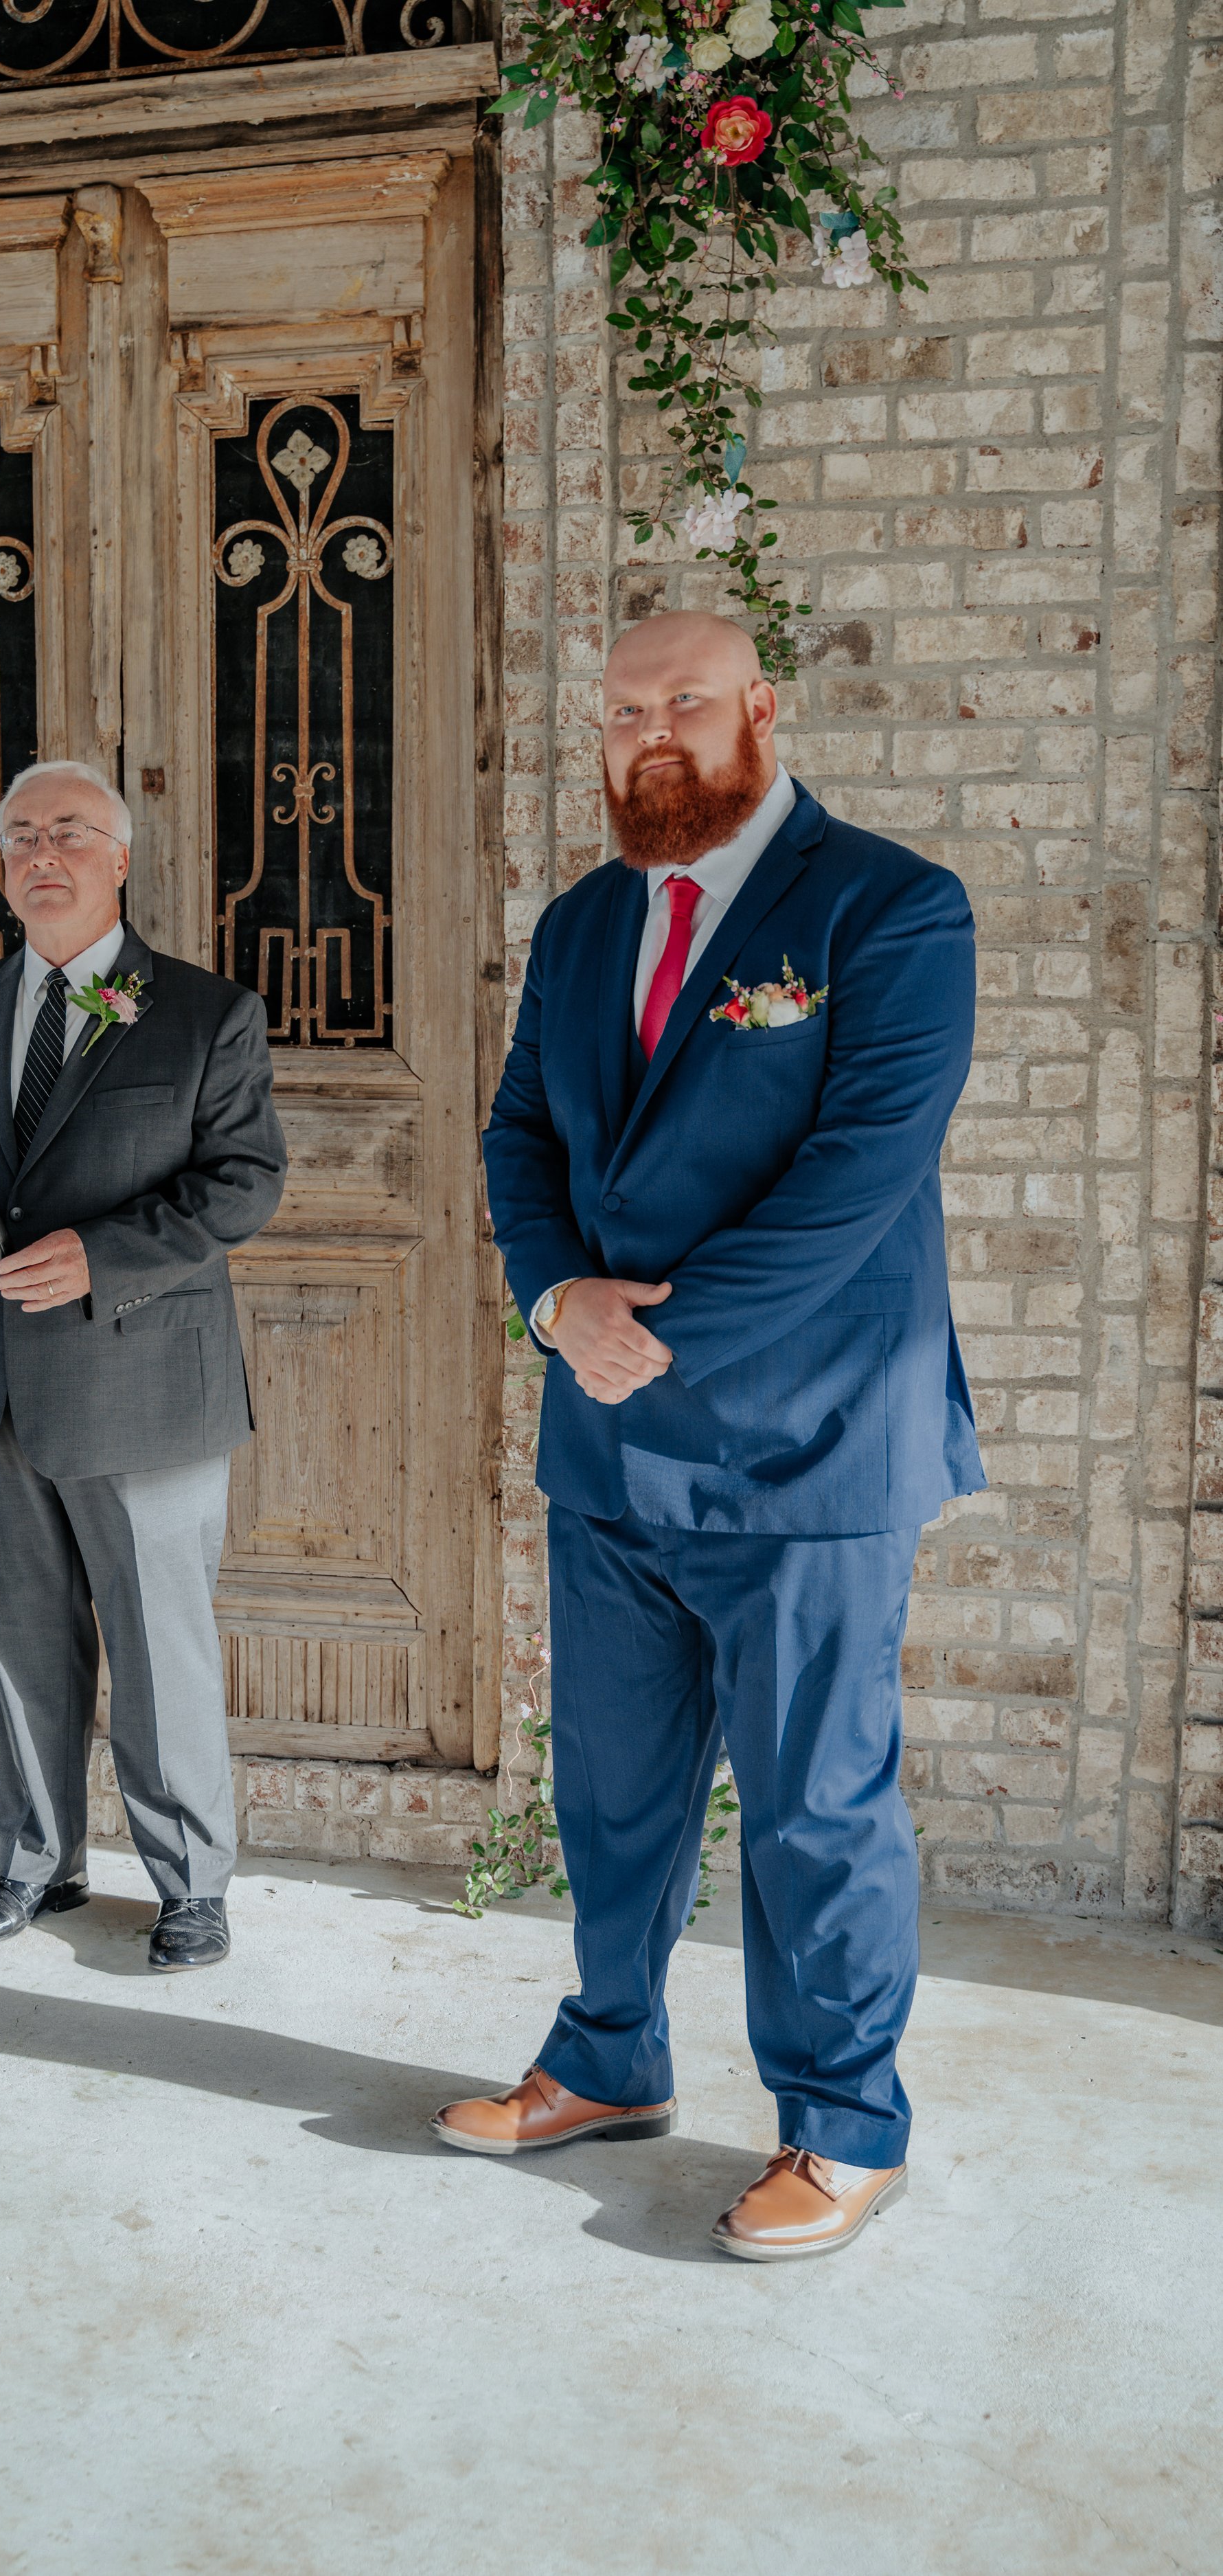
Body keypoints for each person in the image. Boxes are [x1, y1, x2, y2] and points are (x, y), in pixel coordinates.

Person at [436, 612, 983, 2261]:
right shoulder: (584, 919)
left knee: (813, 1803)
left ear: (759, 709)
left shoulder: (890, 907)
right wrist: (553, 1306)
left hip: (807, 1444)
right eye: (619, 711)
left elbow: (854, 1180)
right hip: (605, 1442)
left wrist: (646, 1333)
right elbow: (520, 1129)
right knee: (609, 1786)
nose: (647, 734)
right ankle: (609, 2060)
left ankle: (843, 2123)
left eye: (681, 701)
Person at [0, 760, 286, 1969]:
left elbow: (244, 1182)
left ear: (119, 859)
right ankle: (35, 1864)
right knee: (23, 1637)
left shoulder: (209, 1013)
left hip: (145, 1386)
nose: (41, 853)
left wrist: (101, 1255)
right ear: (0, 868)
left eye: (69, 833)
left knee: (162, 1646)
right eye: (19, 838)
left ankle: (191, 1885)